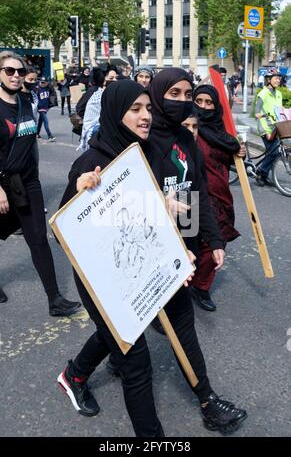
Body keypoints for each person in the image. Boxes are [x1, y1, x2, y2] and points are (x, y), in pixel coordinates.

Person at [57, 78, 247, 436]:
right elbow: (65, 230)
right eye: (135, 109)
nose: (145, 116)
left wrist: (181, 248)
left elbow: (160, 205)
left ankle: (76, 374)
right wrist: (81, 192)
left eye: (148, 108)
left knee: (179, 321)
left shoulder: (143, 153)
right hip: (106, 283)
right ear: (116, 113)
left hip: (150, 262)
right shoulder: (91, 162)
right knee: (136, 360)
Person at [0, 51, 81, 317]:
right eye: (9, 71)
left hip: (28, 183)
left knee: (38, 239)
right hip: (2, 184)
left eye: (19, 72)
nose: (15, 76)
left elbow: (29, 143)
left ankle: (54, 299)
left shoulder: (25, 101)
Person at [187, 84, 245, 312]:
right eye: (198, 101)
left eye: (208, 102)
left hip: (220, 194)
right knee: (197, 243)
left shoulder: (222, 134)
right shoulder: (189, 128)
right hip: (195, 195)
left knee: (215, 243)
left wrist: (238, 153)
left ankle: (200, 286)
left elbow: (224, 158)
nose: (202, 107)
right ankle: (187, 287)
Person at [77, 65, 118, 152]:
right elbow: (80, 108)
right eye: (111, 78)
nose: (115, 80)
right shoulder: (94, 93)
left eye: (116, 77)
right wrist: (92, 119)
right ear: (103, 80)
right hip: (94, 135)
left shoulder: (112, 93)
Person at [255, 67, 282, 187]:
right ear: (269, 80)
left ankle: (263, 176)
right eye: (276, 78)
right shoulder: (263, 93)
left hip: (276, 127)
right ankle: (261, 171)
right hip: (265, 127)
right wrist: (264, 115)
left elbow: (279, 112)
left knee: (272, 152)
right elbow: (256, 112)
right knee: (274, 152)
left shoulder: (279, 94)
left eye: (279, 78)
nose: (278, 80)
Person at [36, 77, 56, 141]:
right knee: (46, 121)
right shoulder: (37, 89)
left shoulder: (49, 88)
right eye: (42, 82)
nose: (43, 84)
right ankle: (50, 136)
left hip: (46, 107)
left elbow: (53, 94)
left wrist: (52, 103)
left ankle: (37, 133)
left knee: (40, 121)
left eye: (44, 82)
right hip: (40, 108)